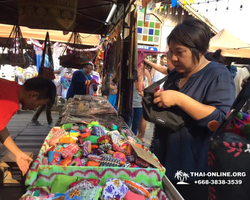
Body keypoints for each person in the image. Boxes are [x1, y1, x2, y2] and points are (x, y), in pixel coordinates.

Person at [148, 18, 235, 200]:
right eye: (171, 52)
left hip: (192, 170)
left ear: (199, 50)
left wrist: (179, 99)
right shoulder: (175, 75)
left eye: (179, 52)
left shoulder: (217, 74)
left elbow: (219, 121)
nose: (173, 58)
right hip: (163, 159)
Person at [0, 77, 56, 175]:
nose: (36, 107)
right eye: (39, 104)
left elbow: (1, 127)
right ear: (34, 95)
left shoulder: (9, 86)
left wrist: (18, 153)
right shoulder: (10, 102)